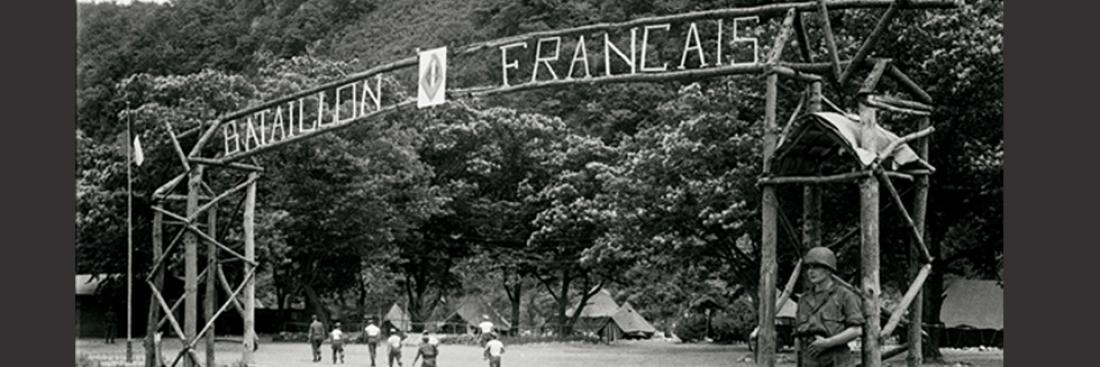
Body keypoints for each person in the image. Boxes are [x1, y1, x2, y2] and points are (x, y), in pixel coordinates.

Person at [794, 247, 864, 367]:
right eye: (809, 267)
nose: (811, 272)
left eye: (816, 267)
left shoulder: (844, 295)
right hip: (809, 360)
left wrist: (827, 343)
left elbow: (856, 330)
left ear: (828, 270)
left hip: (836, 360)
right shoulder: (804, 299)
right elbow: (798, 337)